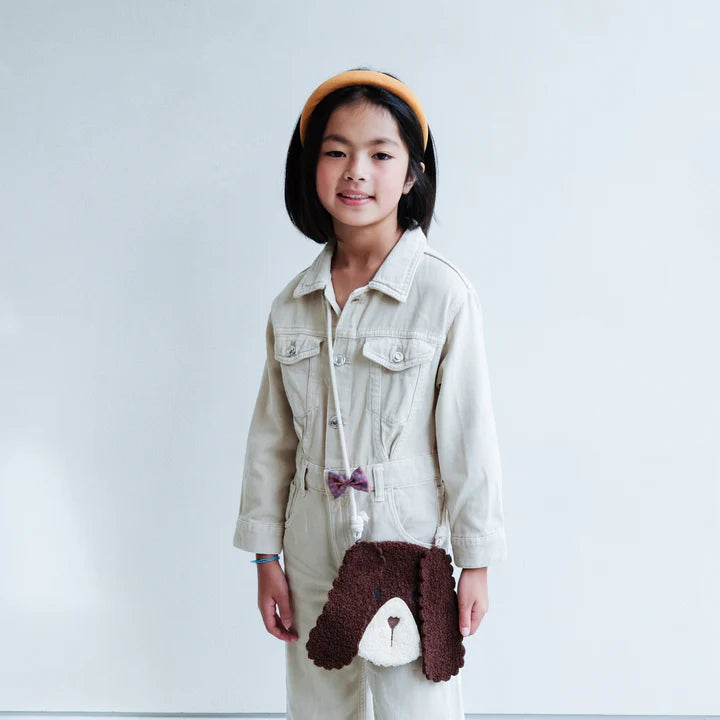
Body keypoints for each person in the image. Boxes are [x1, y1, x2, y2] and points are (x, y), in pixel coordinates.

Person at [232, 67, 507, 720]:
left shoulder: (442, 294)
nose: (356, 171)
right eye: (336, 152)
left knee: (418, 703)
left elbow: (469, 437)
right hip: (310, 550)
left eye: (380, 154)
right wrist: (266, 556)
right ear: (311, 168)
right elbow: (271, 440)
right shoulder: (293, 305)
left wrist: (476, 561)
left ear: (411, 174)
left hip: (405, 548)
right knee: (320, 702)